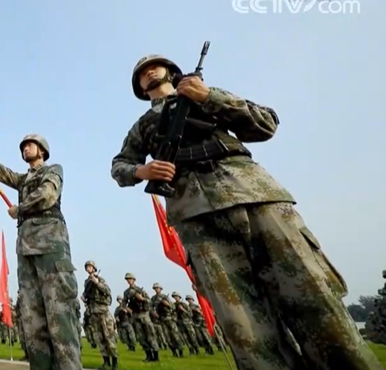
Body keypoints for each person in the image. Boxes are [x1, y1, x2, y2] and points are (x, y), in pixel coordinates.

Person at [110, 54, 383, 370]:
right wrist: (142, 171)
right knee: (243, 326)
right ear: (140, 88)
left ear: (171, 71)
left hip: (256, 198)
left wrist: (209, 97)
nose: (149, 72)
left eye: (154, 67)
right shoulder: (143, 126)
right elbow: (120, 165)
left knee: (314, 300)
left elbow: (265, 124)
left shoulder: (205, 95)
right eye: (142, 73)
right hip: (197, 219)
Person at [0, 130, 82, 370]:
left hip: (51, 247)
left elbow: (47, 195)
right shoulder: (22, 180)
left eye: (30, 145)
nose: (25, 148)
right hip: (25, 251)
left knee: (60, 317)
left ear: (42, 151)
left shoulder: (53, 170)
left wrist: (20, 209)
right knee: (33, 322)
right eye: (23, 146)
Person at [82, 261, 117, 369]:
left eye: (90, 266)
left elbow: (107, 291)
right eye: (87, 267)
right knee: (99, 338)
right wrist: (84, 297)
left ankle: (114, 362)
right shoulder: (87, 282)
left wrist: (97, 283)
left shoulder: (100, 279)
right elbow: (86, 295)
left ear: (94, 268)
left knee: (109, 337)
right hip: (93, 313)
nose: (88, 268)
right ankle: (106, 361)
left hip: (103, 312)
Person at [121, 272, 158, 362]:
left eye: (130, 279)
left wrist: (142, 299)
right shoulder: (126, 292)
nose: (129, 281)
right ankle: (148, 355)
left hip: (144, 314)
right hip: (135, 315)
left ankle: (155, 356)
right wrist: (126, 308)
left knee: (150, 335)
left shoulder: (140, 290)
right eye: (127, 279)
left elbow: (149, 301)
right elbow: (123, 303)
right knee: (141, 337)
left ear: (134, 280)